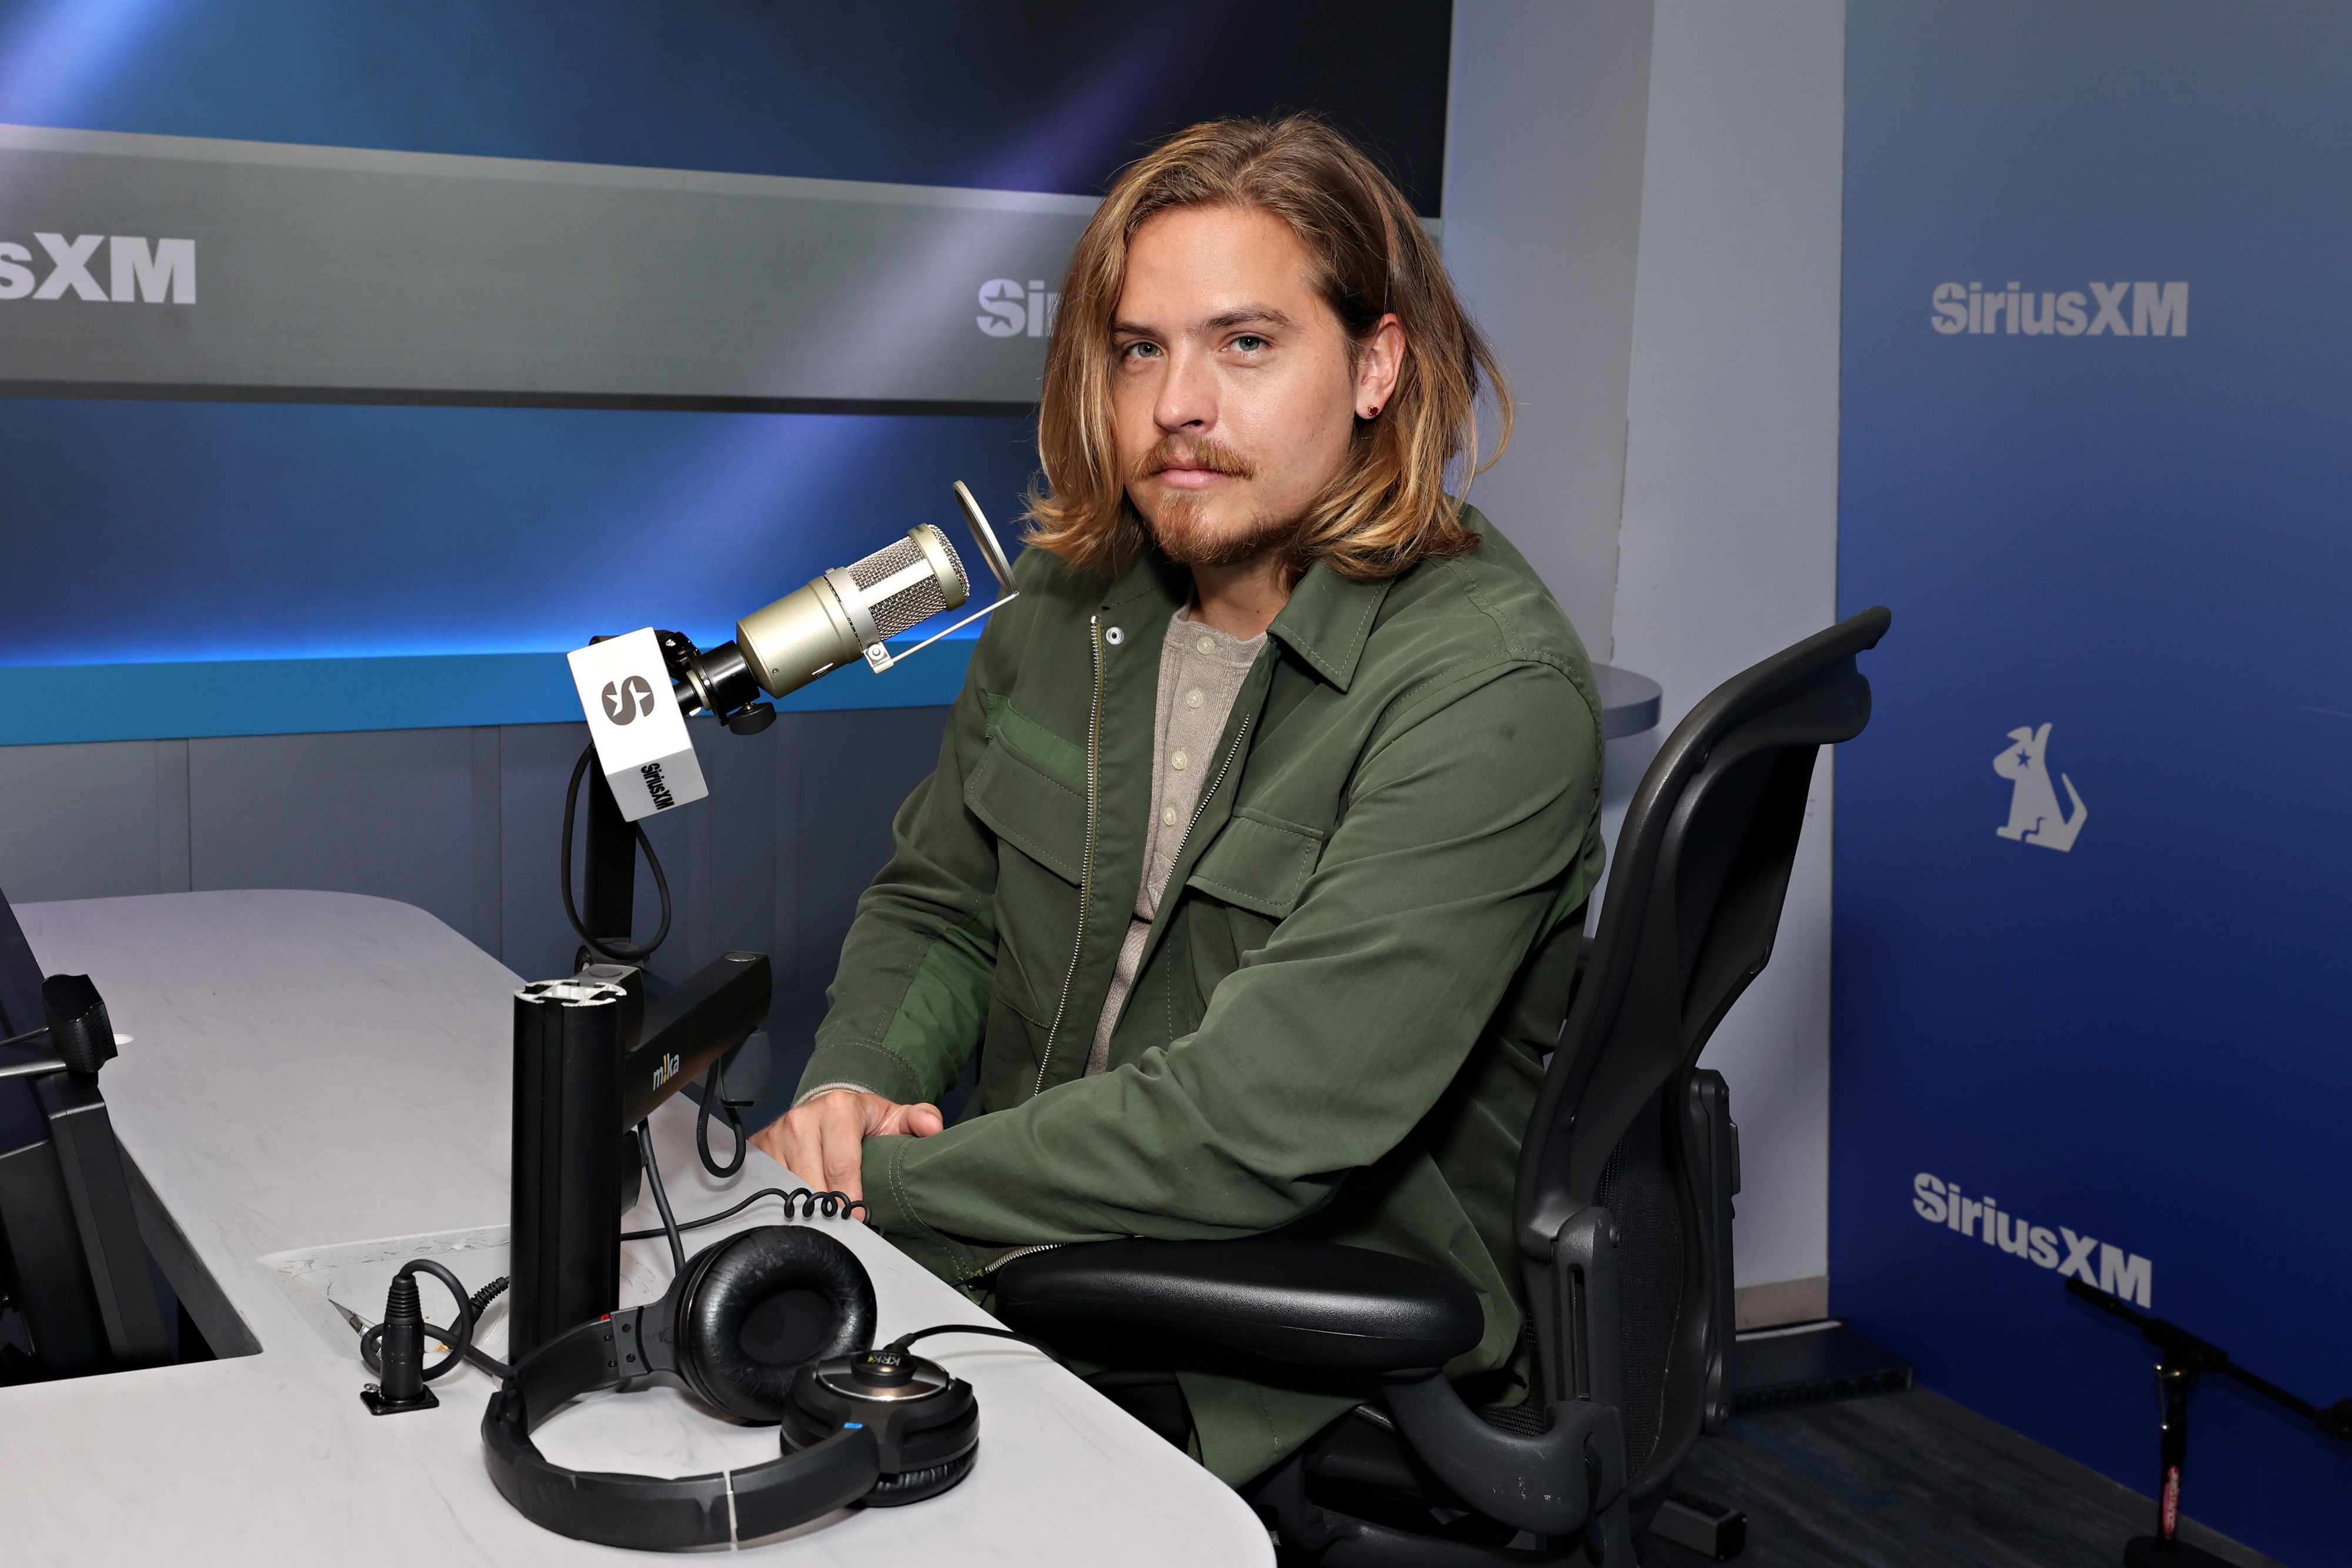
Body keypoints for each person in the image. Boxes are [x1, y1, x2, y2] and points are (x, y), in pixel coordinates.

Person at [750, 115, 1605, 1488]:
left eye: (1244, 344)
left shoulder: (1485, 689)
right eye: (1141, 348)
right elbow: (940, 900)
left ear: (1376, 365)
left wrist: (880, 1188)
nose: (1174, 405)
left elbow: (1262, 1121)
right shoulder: (1069, 599)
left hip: (1265, 1331)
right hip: (1023, 1244)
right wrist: (856, 1090)